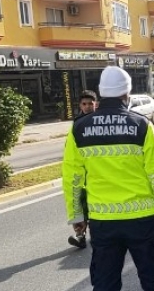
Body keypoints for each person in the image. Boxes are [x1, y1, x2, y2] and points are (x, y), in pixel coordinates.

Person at [63, 66, 154, 291]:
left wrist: (77, 215)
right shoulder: (142, 125)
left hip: (103, 222)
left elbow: (73, 178)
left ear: (102, 93)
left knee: (105, 284)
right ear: (127, 94)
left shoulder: (79, 129)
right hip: (143, 220)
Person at [67, 90, 98, 249]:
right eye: (84, 104)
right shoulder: (77, 123)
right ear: (80, 105)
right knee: (79, 203)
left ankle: (88, 234)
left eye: (90, 104)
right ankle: (80, 235)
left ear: (96, 104)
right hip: (81, 173)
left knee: (91, 205)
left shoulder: (100, 121)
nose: (87, 107)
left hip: (96, 172)